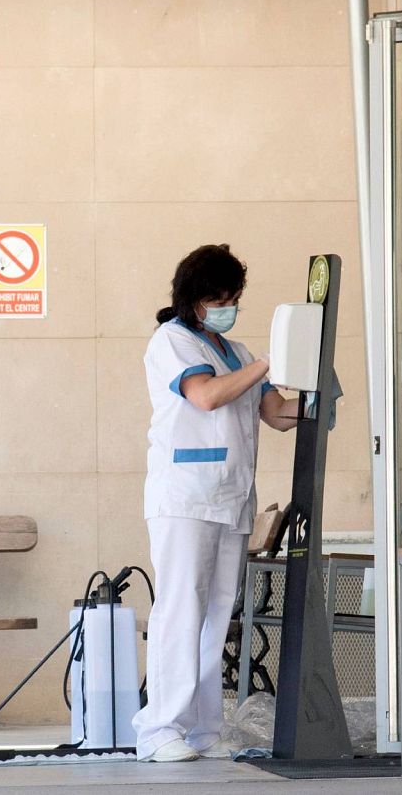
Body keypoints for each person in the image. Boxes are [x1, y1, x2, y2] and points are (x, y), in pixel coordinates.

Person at [133, 244, 300, 762]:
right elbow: (205, 396)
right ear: (194, 299)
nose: (227, 306)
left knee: (215, 617)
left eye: (233, 298)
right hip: (185, 496)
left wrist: (320, 395)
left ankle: (204, 729)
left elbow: (278, 414)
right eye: (218, 298)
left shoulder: (240, 353)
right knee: (180, 611)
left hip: (230, 501)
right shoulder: (171, 341)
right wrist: (273, 360)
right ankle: (159, 728)